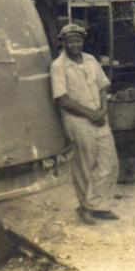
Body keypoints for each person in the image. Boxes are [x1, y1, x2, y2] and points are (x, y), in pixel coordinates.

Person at [49, 24, 119, 225]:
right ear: (63, 42)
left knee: (109, 162)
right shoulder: (58, 66)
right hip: (78, 120)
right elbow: (62, 99)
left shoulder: (90, 60)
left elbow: (103, 87)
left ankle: (100, 205)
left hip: (99, 117)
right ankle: (85, 207)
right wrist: (91, 114)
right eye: (70, 41)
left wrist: (103, 111)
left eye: (78, 40)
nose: (74, 44)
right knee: (84, 165)